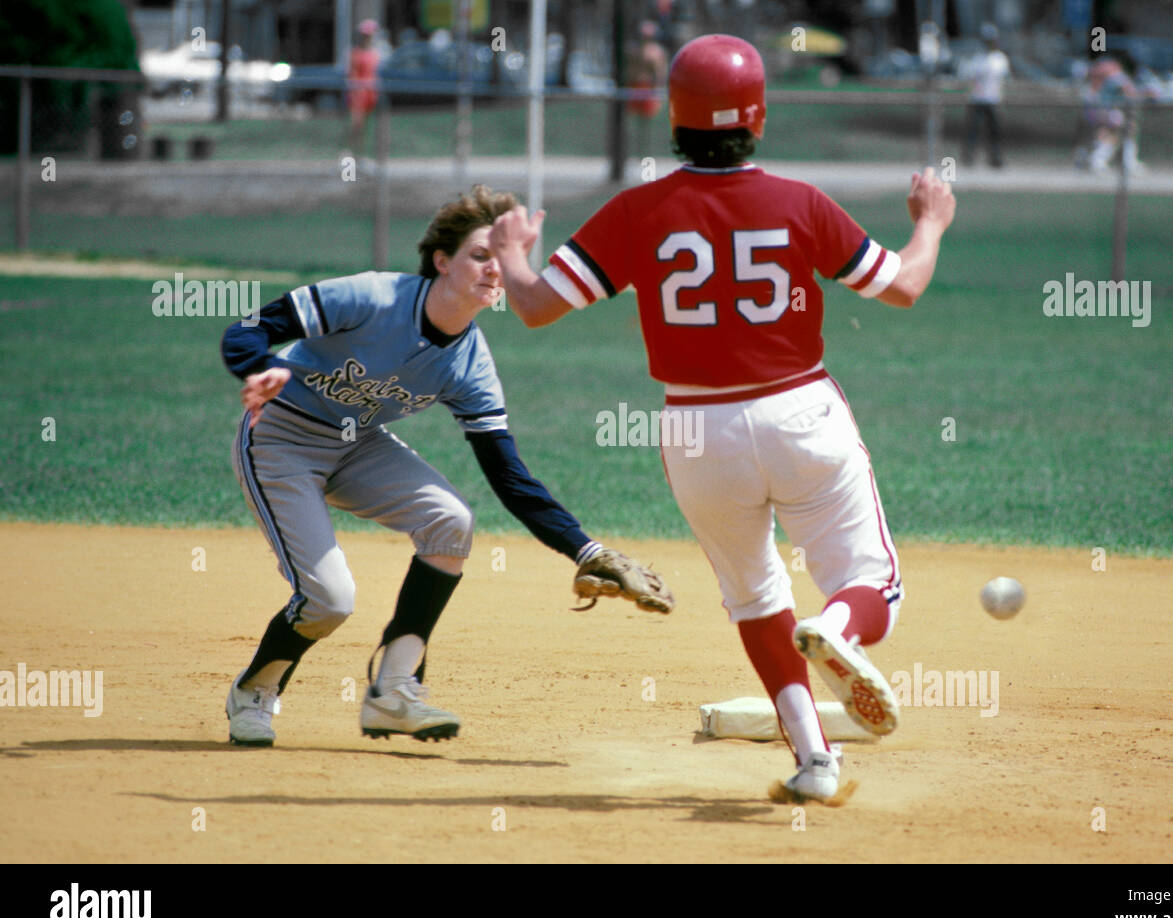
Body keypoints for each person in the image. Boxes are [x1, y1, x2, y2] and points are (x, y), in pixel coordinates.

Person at [488, 35, 955, 804]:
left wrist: (510, 252)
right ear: (759, 118)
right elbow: (901, 287)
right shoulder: (799, 202)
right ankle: (840, 623)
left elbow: (535, 306)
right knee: (871, 583)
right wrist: (931, 221)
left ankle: (814, 758)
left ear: (674, 121)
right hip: (800, 409)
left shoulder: (639, 210)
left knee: (753, 594)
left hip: (696, 430)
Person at [221, 185, 670, 747]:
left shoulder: (471, 364)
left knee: (451, 520)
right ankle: (255, 690)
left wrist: (588, 551)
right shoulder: (373, 297)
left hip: (357, 441)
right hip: (281, 439)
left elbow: (509, 477)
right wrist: (261, 366)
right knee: (330, 601)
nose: (494, 270)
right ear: (442, 260)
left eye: (502, 260)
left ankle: (394, 692)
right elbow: (247, 328)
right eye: (480, 255)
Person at [961, 22, 1009, 169]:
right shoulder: (977, 58)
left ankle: (995, 158)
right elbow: (968, 77)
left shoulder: (1000, 59)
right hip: (977, 99)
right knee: (973, 131)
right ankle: (969, 158)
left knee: (995, 131)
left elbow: (1004, 79)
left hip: (993, 99)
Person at [627, 19, 669, 158]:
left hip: (648, 89)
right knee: (631, 121)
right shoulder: (633, 50)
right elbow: (630, 71)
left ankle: (647, 154)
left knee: (648, 123)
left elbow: (660, 73)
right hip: (635, 88)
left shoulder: (656, 52)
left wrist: (658, 90)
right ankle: (631, 152)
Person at [346, 19, 381, 156]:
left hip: (370, 93)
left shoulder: (374, 53)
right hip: (359, 93)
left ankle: (360, 155)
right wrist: (355, 93)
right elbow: (353, 74)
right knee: (356, 125)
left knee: (365, 127)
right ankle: (350, 154)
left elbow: (374, 73)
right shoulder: (356, 52)